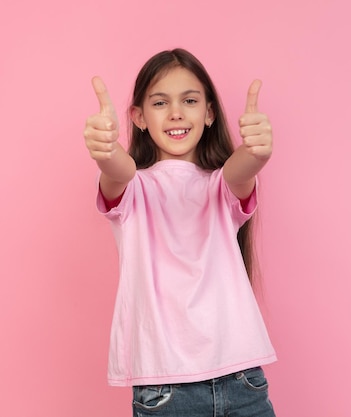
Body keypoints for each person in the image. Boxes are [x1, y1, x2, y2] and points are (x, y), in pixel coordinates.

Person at [83, 48, 277, 416]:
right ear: (138, 117)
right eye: (160, 103)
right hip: (165, 389)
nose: (175, 112)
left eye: (189, 100)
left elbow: (241, 168)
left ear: (209, 114)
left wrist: (257, 152)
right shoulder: (134, 189)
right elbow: (117, 169)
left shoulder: (221, 188)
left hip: (242, 380)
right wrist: (105, 150)